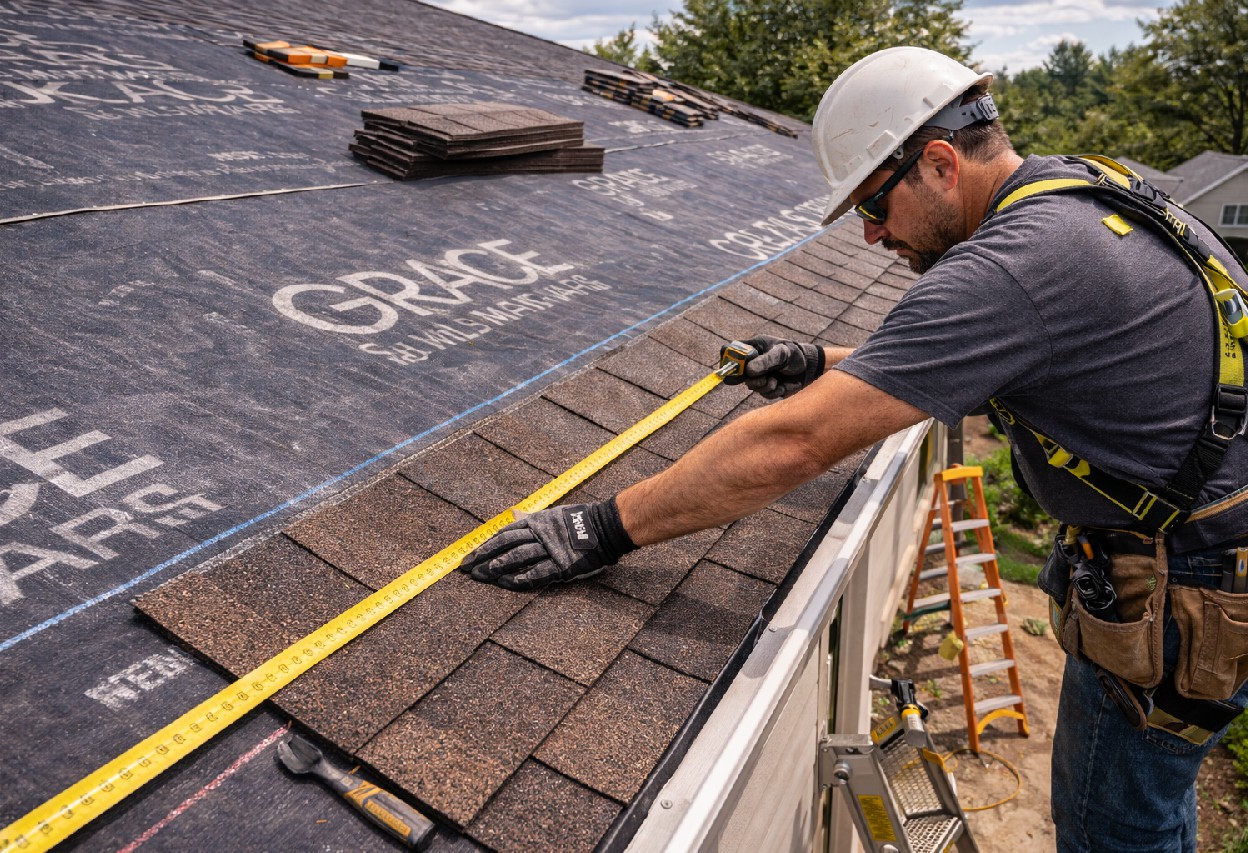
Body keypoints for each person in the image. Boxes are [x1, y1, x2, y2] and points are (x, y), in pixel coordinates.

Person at [458, 46, 1248, 852]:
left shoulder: (1014, 266)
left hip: (1193, 579)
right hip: (1215, 545)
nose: (871, 235)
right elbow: (974, 359)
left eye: (874, 204)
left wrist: (600, 528)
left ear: (939, 163)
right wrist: (819, 361)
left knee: (1114, 825)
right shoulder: (1077, 194)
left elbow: (797, 442)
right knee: (1151, 802)